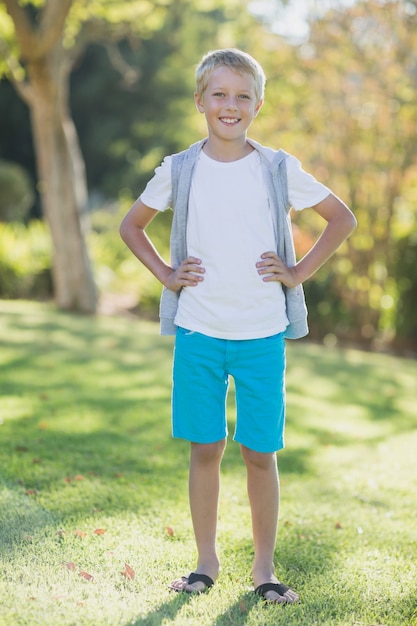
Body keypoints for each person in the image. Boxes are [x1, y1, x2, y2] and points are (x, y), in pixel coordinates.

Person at [120, 48, 357, 604]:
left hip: (261, 335)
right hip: (199, 333)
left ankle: (265, 569)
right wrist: (166, 274)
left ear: (258, 104)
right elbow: (132, 226)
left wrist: (298, 270)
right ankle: (205, 564)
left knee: (259, 451)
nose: (231, 105)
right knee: (205, 447)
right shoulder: (179, 169)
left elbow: (340, 218)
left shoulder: (278, 167)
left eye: (243, 95)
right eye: (219, 94)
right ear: (200, 100)